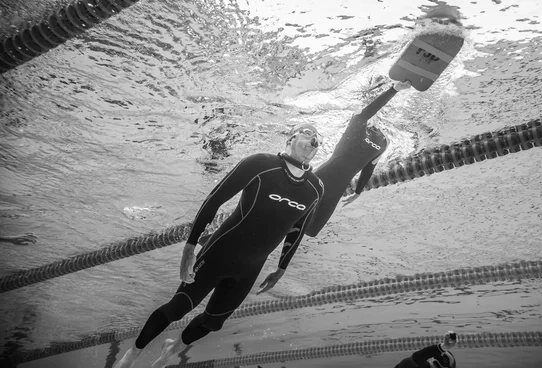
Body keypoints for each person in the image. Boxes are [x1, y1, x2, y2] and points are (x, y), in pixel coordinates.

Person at [114, 124, 325, 368]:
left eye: (317, 138)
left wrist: (281, 269)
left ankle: (173, 348)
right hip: (220, 252)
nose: (314, 141)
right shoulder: (260, 164)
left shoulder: (316, 188)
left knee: (213, 323)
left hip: (250, 267)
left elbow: (297, 230)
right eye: (308, 133)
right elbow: (215, 199)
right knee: (178, 308)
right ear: (291, 137)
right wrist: (190, 246)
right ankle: (132, 355)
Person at [257, 79, 411, 293]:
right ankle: (250, 232)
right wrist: (394, 90)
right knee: (286, 214)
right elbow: (369, 110)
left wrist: (358, 191)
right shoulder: (358, 125)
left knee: (307, 229)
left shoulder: (384, 142)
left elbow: (369, 168)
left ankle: (269, 252)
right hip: (318, 180)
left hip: (335, 192)